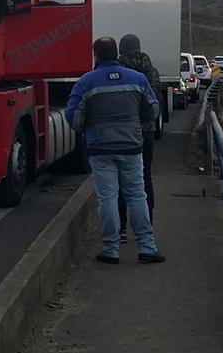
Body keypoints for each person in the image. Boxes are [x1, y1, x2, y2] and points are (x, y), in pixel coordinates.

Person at [64, 37, 165, 265]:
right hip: (131, 146)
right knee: (137, 195)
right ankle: (147, 248)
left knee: (108, 198)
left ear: (96, 55)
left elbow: (74, 118)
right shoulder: (138, 79)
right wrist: (135, 124)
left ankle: (111, 249)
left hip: (101, 148)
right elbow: (153, 109)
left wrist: (90, 127)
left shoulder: (86, 82)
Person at [115, 33, 161, 236]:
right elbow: (154, 98)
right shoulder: (150, 70)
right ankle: (147, 224)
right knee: (145, 177)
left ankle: (122, 227)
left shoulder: (118, 69)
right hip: (146, 130)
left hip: (122, 131)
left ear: (121, 49)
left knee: (120, 180)